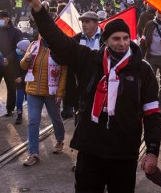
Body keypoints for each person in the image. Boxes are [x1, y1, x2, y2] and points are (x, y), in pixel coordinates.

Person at [24, 0, 161, 193]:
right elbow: (58, 41)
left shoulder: (142, 71)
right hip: (91, 150)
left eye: (125, 38)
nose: (121, 43)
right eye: (116, 38)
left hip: (124, 154)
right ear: (106, 40)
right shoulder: (89, 60)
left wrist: (152, 149)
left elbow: (152, 113)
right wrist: (39, 11)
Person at [19, 36, 68, 166]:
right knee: (33, 122)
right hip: (33, 91)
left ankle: (60, 139)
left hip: (51, 92)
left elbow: (63, 72)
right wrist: (26, 59)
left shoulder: (59, 48)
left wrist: (60, 92)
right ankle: (33, 153)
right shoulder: (34, 45)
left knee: (56, 118)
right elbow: (23, 65)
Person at [59, 11, 103, 120]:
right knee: (81, 122)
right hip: (80, 89)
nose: (83, 24)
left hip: (101, 87)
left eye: (87, 21)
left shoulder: (106, 39)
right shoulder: (76, 40)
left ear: (96, 23)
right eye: (82, 21)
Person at [0, 10, 23, 117]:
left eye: (1, 18)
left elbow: (19, 48)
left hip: (10, 65)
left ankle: (10, 108)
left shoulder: (16, 32)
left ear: (7, 19)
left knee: (11, 88)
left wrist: (8, 58)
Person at [13, 39, 31, 125]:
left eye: (20, 49)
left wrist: (22, 78)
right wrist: (15, 77)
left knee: (30, 100)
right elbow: (14, 70)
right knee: (19, 100)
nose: (18, 50)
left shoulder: (31, 59)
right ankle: (19, 116)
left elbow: (31, 71)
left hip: (28, 83)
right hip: (20, 84)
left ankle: (32, 115)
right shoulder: (17, 58)